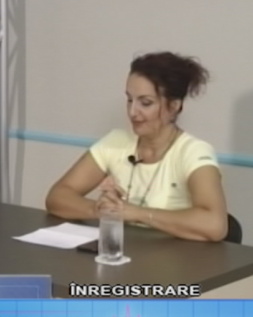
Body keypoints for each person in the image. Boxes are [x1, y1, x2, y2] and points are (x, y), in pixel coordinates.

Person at [45, 51, 228, 242]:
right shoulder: (116, 141)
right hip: (123, 252)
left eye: (145, 103)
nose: (133, 112)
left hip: (174, 257)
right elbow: (57, 196)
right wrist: (101, 210)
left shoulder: (194, 152)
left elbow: (215, 225)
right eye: (129, 100)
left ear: (174, 105)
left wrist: (137, 213)